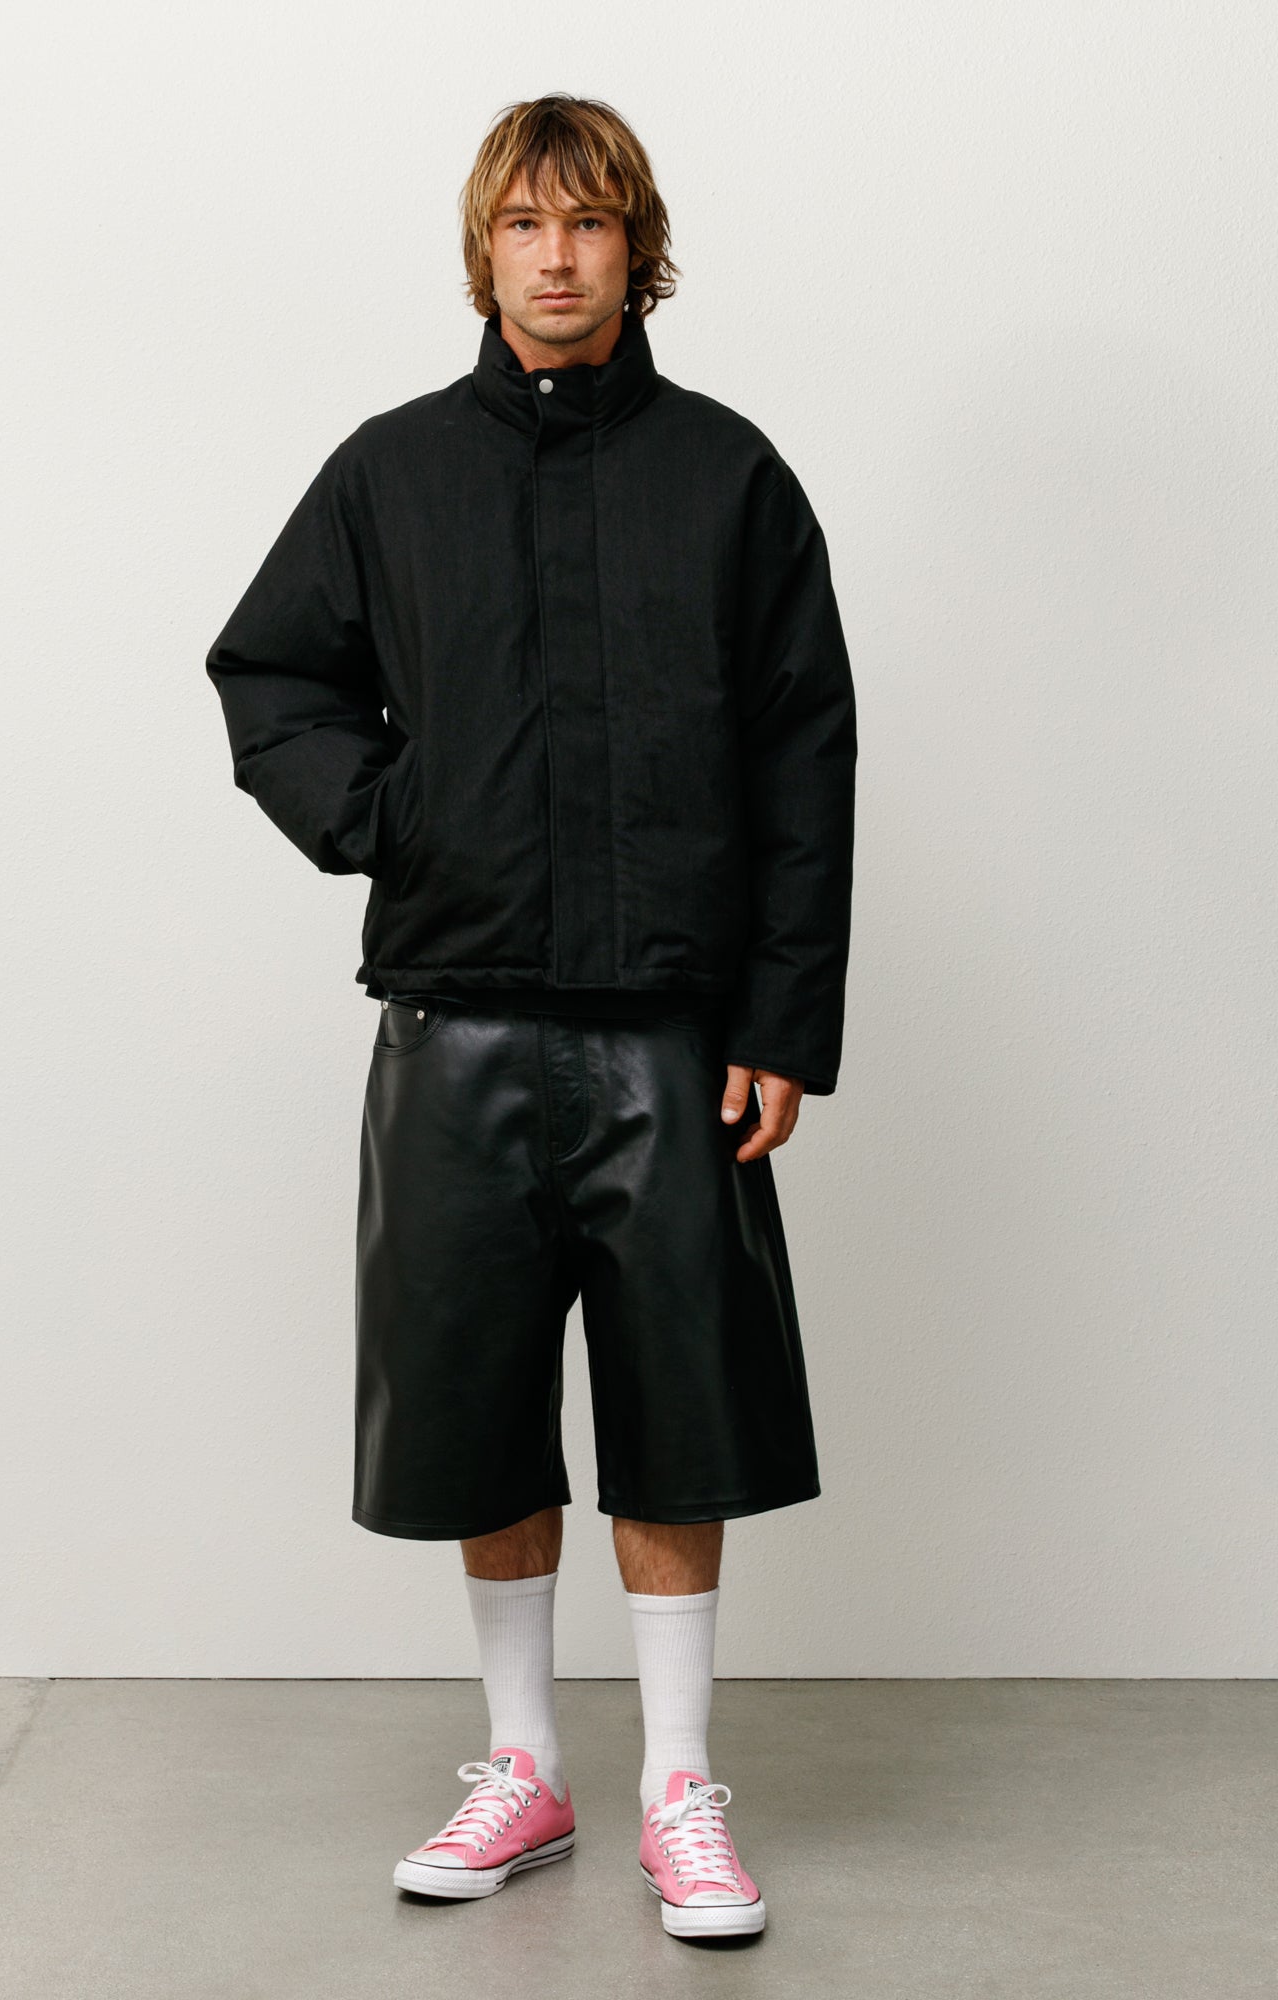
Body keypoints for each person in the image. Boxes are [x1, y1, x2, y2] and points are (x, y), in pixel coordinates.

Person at [204, 93, 856, 1942]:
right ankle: (525, 1769)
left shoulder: (728, 476)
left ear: (636, 249)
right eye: (523, 225)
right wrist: (392, 818)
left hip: (673, 1033)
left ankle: (678, 1788)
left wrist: (783, 1020)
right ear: (482, 249)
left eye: (587, 224)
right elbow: (270, 674)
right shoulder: (391, 471)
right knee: (478, 1412)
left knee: (680, 1410)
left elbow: (806, 752)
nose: (555, 257)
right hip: (459, 1017)